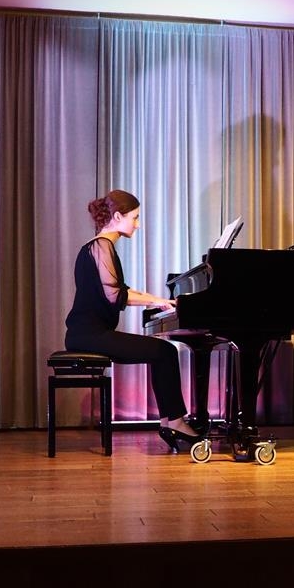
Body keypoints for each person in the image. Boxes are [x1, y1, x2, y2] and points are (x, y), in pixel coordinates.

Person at [64, 189, 201, 452]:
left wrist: (157, 300)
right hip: (88, 335)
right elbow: (115, 295)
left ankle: (171, 421)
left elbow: (119, 290)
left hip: (88, 333)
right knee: (164, 351)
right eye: (135, 218)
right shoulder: (101, 246)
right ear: (117, 216)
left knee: (162, 352)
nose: (137, 224)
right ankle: (175, 422)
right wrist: (157, 301)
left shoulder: (99, 247)